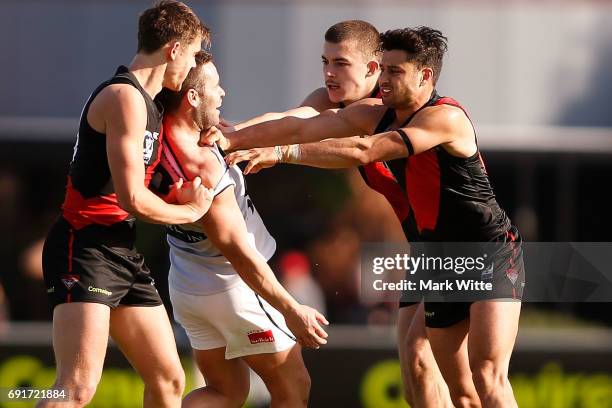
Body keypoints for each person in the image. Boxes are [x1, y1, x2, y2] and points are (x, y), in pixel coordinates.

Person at [215, 26, 525, 408]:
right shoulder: (367, 112)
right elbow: (295, 122)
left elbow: (364, 150)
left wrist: (281, 153)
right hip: (431, 252)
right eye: (325, 62)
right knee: (430, 371)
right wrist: (224, 137)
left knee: (485, 373)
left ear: (373, 68)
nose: (329, 73)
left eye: (341, 63)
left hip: (484, 251)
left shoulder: (439, 117)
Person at [40, 2, 213, 407]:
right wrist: (192, 211)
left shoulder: (151, 103)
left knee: (169, 381)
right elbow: (132, 198)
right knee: (76, 388)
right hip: (83, 248)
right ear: (172, 50)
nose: (191, 67)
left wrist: (177, 195)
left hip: (119, 250)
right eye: (189, 55)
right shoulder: (124, 97)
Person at [153, 50, 328, 408]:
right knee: (294, 386)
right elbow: (236, 248)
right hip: (233, 288)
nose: (223, 94)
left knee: (224, 393)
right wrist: (292, 308)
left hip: (187, 286)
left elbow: (269, 124)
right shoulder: (202, 163)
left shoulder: (161, 138)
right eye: (215, 87)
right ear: (193, 97)